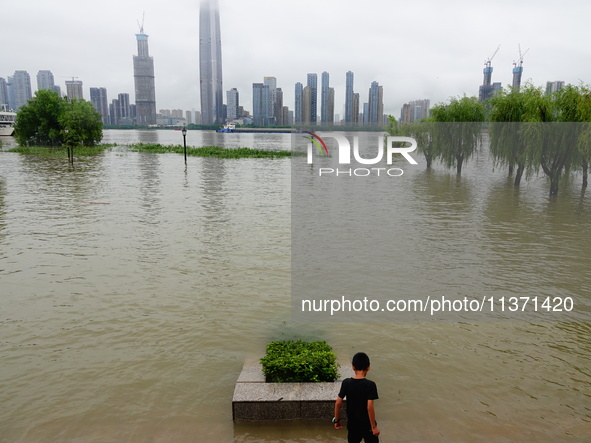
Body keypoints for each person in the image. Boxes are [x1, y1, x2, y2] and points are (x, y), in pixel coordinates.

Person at [333, 352, 380, 442]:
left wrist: (337, 420)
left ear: (353, 367)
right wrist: (373, 427)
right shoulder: (370, 385)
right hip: (367, 425)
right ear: (368, 368)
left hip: (352, 424)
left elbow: (338, 403)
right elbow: (369, 407)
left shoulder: (346, 382)